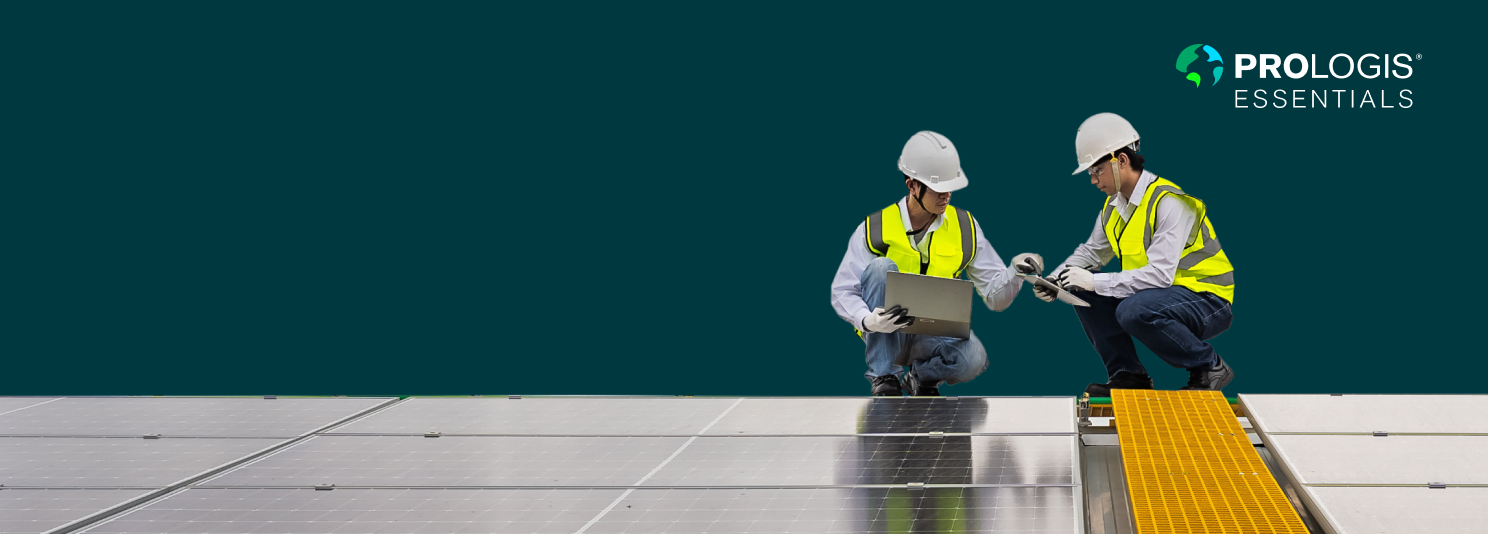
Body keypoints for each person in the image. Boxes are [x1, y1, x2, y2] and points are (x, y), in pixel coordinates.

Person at [1031, 113, 1237, 396]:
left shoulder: (1169, 202)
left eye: (1097, 170)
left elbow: (1161, 276)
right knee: (1082, 288)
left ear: (1122, 161)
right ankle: (1128, 374)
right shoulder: (1113, 208)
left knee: (1131, 309)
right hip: (1161, 297)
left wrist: (1096, 282)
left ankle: (1208, 365)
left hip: (1206, 300)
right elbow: (1091, 252)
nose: (1093, 180)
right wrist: (1055, 280)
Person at [830, 131, 1039, 396]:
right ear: (912, 185)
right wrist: (868, 320)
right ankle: (885, 378)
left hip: (932, 334)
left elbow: (995, 298)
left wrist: (1015, 272)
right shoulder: (875, 227)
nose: (946, 195)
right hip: (884, 333)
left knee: (973, 359)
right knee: (881, 267)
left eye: (950, 187)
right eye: (938, 188)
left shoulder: (965, 227)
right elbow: (842, 290)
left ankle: (920, 378)